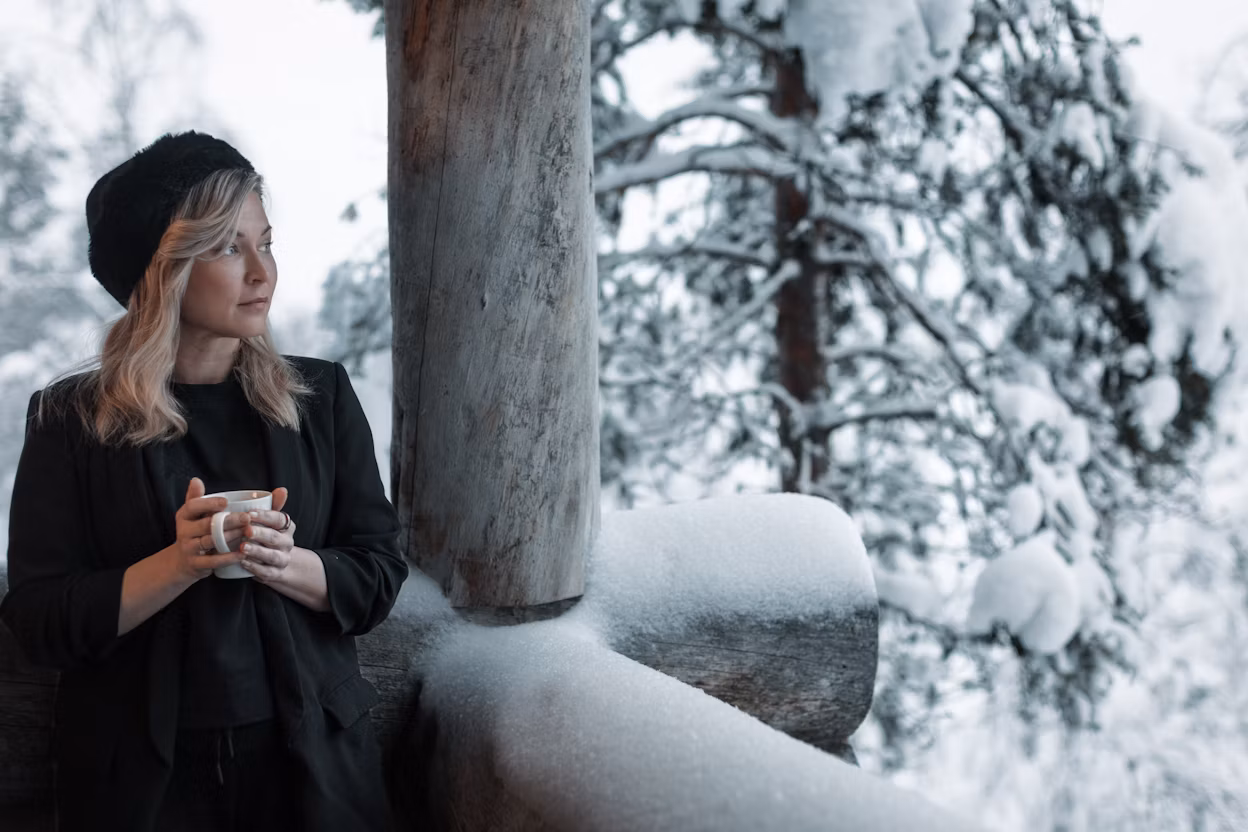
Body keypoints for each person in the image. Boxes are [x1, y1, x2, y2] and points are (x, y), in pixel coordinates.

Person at [0, 130, 409, 832]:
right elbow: (39, 620)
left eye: (266, 242)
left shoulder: (322, 398)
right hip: (139, 786)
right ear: (162, 272)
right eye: (227, 248)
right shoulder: (68, 420)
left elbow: (378, 572)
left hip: (313, 770)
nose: (262, 272)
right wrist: (179, 564)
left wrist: (287, 562)